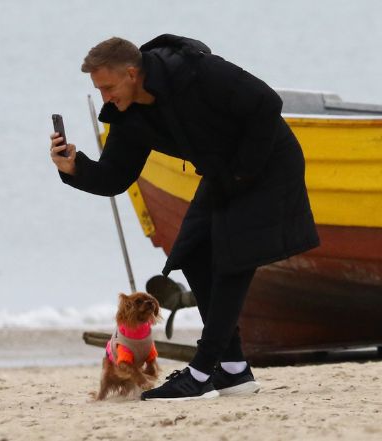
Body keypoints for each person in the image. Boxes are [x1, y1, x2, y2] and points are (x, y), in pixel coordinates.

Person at [50, 35, 319, 401]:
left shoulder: (196, 71)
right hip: (226, 175)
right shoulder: (129, 116)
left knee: (231, 260)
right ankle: (234, 370)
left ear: (132, 73)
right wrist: (74, 167)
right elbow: (115, 177)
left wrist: (243, 173)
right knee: (191, 250)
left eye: (108, 87)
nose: (105, 98)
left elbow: (267, 102)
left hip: (267, 164)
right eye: (99, 90)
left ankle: (201, 372)